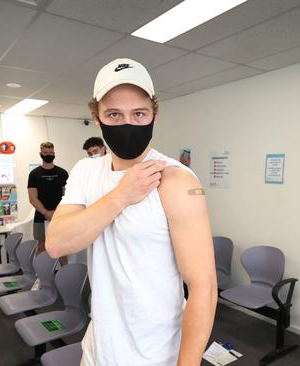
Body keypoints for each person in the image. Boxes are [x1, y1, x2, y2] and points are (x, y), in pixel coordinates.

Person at [46, 58, 217, 365]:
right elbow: (57, 243)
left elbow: (203, 287)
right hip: (98, 350)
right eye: (114, 114)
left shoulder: (176, 180)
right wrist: (122, 195)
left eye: (139, 113)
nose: (128, 124)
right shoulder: (86, 171)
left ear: (154, 114)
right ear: (97, 117)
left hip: (155, 354)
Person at [27, 142, 68, 255]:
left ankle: (63, 272)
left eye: (51, 153)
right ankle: (40, 273)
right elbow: (32, 198)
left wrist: (57, 212)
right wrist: (46, 213)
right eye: (45, 153)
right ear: (41, 153)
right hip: (40, 216)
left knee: (61, 247)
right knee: (41, 246)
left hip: (59, 215)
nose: (48, 155)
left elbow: (67, 196)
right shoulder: (34, 174)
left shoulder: (62, 173)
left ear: (54, 153)